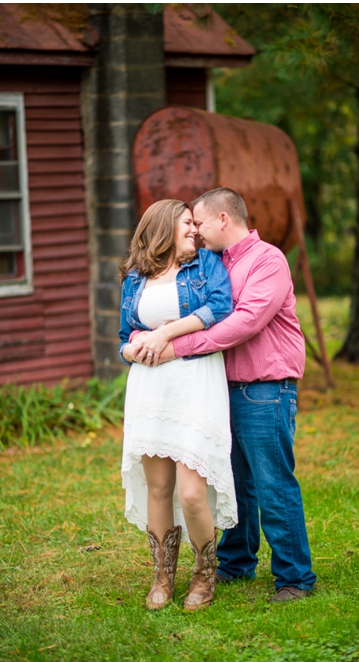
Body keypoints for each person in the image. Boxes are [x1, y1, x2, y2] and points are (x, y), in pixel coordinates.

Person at [147, 187, 317, 603]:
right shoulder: (213, 265)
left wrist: (176, 346)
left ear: (223, 219)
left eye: (200, 223)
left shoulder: (268, 260)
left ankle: (294, 578)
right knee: (233, 484)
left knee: (273, 483)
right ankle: (237, 562)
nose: (197, 233)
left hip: (265, 390)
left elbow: (245, 322)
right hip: (221, 391)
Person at [118, 199, 237, 612]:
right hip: (150, 387)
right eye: (187, 223)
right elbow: (125, 336)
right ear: (164, 226)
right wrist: (132, 350)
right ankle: (163, 575)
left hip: (195, 381)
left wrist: (165, 332)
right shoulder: (135, 277)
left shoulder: (205, 265)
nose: (195, 230)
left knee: (190, 493)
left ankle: (205, 573)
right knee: (159, 488)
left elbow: (221, 307)